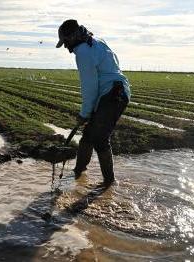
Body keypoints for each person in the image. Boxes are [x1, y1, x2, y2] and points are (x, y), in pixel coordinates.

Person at [56, 19, 131, 186]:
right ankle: (78, 172)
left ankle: (109, 183)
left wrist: (84, 113)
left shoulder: (83, 52)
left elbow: (89, 86)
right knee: (89, 134)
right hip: (117, 91)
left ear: (72, 37)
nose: (66, 47)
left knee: (100, 138)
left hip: (113, 95)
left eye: (66, 42)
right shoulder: (96, 41)